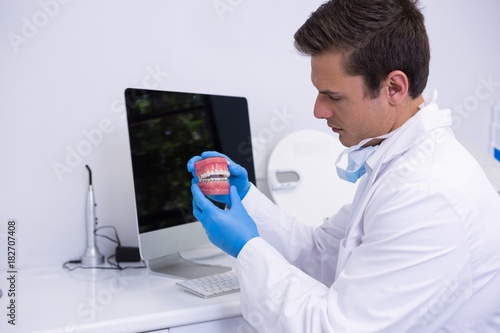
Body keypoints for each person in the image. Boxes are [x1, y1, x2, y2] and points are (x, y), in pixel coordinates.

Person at [187, 0, 500, 331]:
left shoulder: (427, 192)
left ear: (394, 87)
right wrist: (246, 199)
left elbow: (333, 328)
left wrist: (246, 247)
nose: (318, 111)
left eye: (333, 96)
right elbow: (320, 252)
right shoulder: (396, 163)